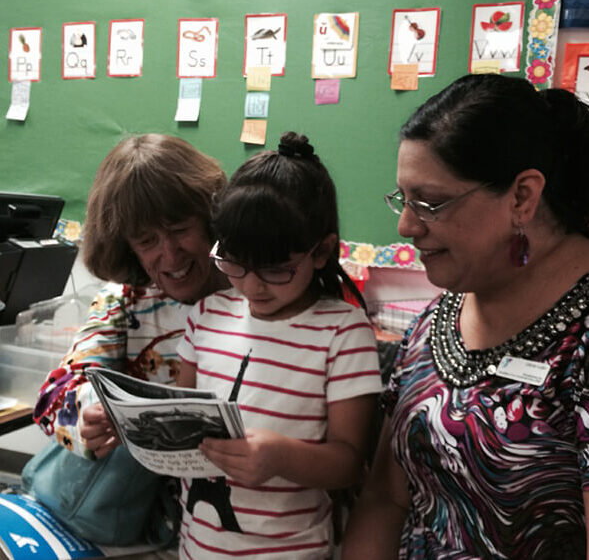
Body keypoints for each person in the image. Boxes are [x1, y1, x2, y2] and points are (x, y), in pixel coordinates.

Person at [341, 74, 589, 559]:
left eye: (429, 203)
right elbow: (385, 498)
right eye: (403, 199)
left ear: (522, 196)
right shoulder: (438, 318)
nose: (406, 225)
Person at [176, 131, 383, 559]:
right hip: (196, 547)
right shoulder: (207, 313)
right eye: (234, 262)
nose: (251, 285)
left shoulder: (342, 331)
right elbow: (180, 418)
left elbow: (349, 463)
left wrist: (280, 457)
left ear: (322, 250)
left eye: (276, 269)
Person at [30, 134, 228, 556]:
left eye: (180, 231)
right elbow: (52, 397)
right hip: (143, 529)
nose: (170, 256)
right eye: (147, 241)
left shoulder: (257, 290)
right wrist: (88, 412)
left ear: (211, 218)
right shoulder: (125, 299)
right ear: (126, 245)